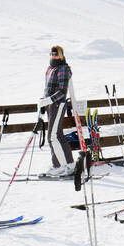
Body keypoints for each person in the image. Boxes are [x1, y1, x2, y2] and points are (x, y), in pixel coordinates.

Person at [39, 45, 77, 176]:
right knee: (58, 135)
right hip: (50, 105)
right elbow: (47, 89)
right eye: (52, 54)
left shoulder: (63, 69)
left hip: (58, 105)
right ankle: (69, 163)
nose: (54, 56)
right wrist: (43, 103)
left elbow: (62, 92)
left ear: (61, 55)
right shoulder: (50, 68)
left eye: (57, 54)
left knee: (52, 136)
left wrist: (49, 100)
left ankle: (59, 165)